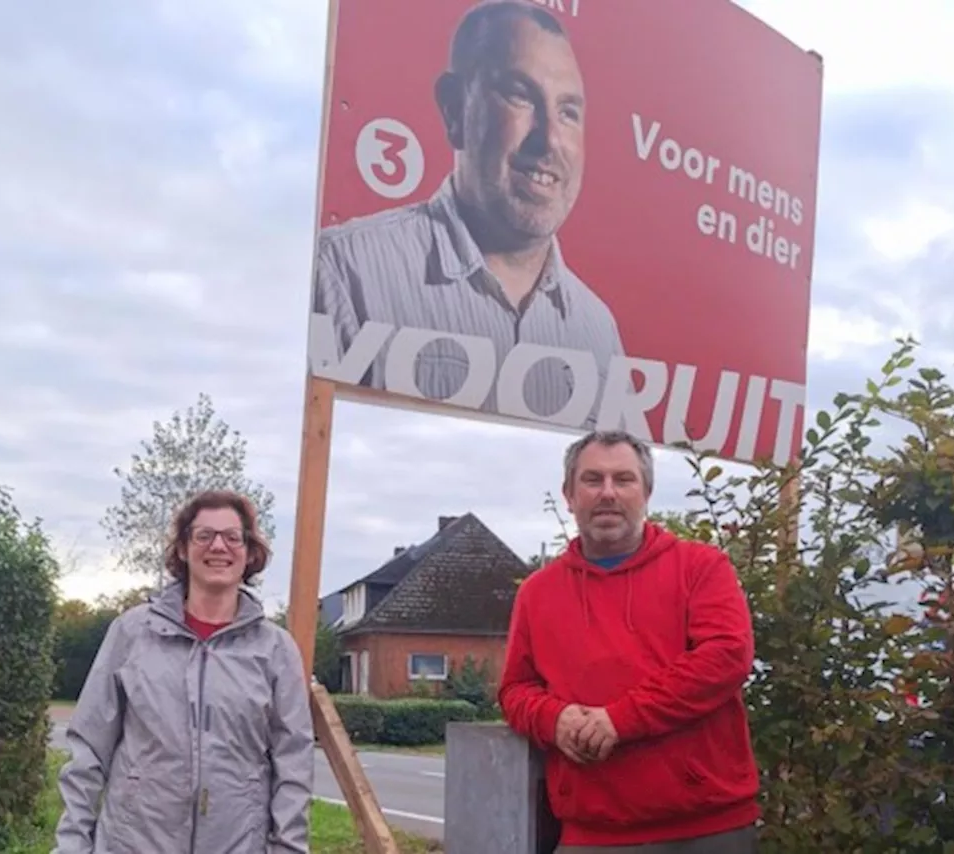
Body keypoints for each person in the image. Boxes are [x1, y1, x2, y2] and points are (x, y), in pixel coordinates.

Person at [311, 0, 625, 426]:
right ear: (454, 108)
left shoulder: (598, 328)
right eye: (519, 95)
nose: (549, 139)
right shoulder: (346, 272)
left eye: (568, 112)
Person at [498, 430, 760, 853]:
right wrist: (554, 719)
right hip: (593, 831)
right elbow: (514, 690)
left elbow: (725, 657)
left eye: (623, 479)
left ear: (647, 492)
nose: (607, 493)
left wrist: (621, 720)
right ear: (568, 494)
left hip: (707, 828)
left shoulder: (701, 567)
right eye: (592, 480)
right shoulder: (537, 592)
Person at [52, 490, 314, 854]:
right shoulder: (132, 633)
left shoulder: (275, 649)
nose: (218, 546)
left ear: (250, 551)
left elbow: (294, 766)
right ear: (182, 548)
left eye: (232, 537)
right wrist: (72, 846)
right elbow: (89, 750)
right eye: (204, 535)